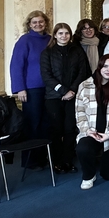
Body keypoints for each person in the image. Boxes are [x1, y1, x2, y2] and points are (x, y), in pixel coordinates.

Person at [40, 23, 91, 174]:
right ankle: (57, 162)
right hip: (53, 97)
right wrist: (63, 91)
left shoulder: (77, 50)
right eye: (60, 33)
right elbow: (46, 76)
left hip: (73, 96)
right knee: (56, 130)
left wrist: (72, 90)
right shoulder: (47, 53)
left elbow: (83, 72)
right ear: (55, 35)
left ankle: (67, 160)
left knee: (70, 129)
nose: (64, 36)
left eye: (66, 33)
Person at [74, 54, 109, 189]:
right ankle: (89, 175)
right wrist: (87, 130)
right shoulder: (84, 85)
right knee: (82, 148)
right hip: (91, 132)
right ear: (99, 67)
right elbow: (79, 112)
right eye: (105, 66)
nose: (108, 70)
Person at [10, 10, 52, 168]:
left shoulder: (50, 39)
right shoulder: (25, 40)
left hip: (49, 88)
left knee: (46, 124)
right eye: (34, 22)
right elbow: (16, 66)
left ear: (45, 23)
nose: (38, 24)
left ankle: (43, 157)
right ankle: (30, 161)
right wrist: (20, 88)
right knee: (32, 124)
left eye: (41, 21)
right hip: (31, 89)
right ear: (29, 24)